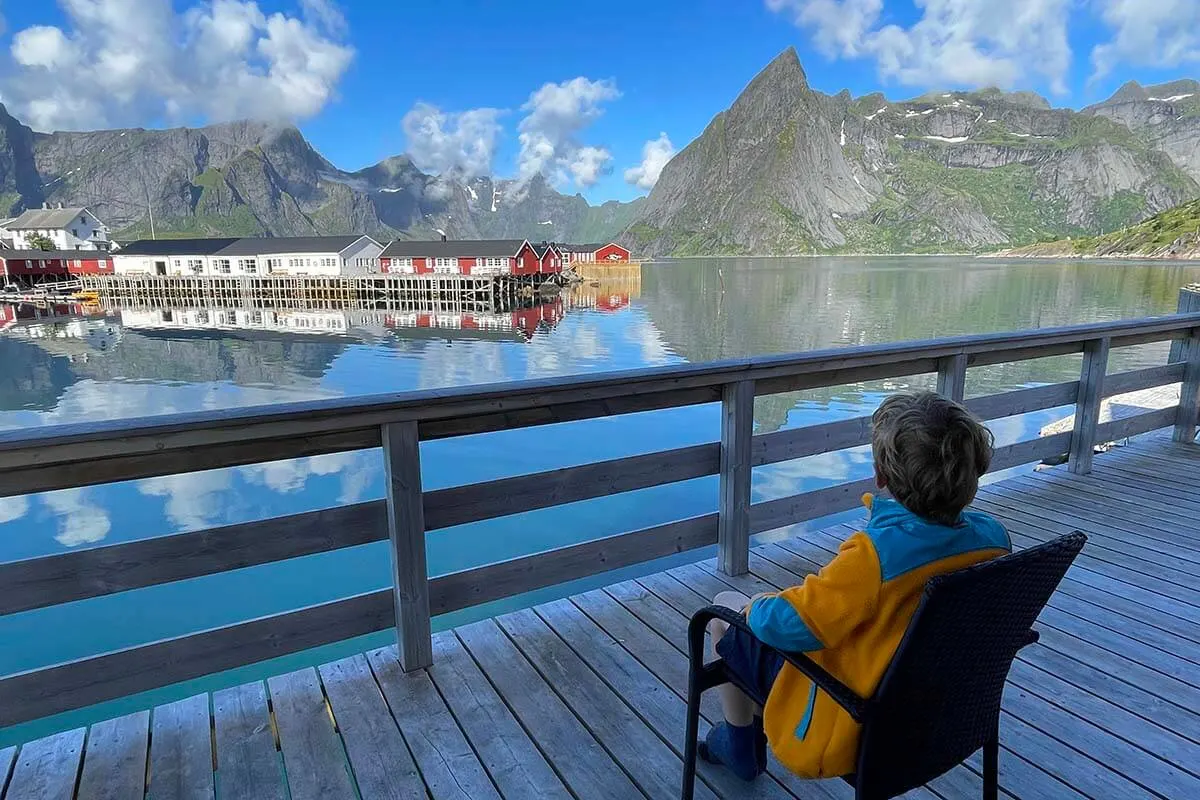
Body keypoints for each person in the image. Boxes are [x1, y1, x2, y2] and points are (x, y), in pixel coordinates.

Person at [701, 391, 1011, 781]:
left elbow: (794, 623)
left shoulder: (874, 558)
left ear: (881, 476)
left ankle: (740, 744)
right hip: (935, 712)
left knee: (725, 610)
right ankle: (747, 730)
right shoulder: (994, 539)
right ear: (975, 469)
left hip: (855, 718)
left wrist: (756, 605)